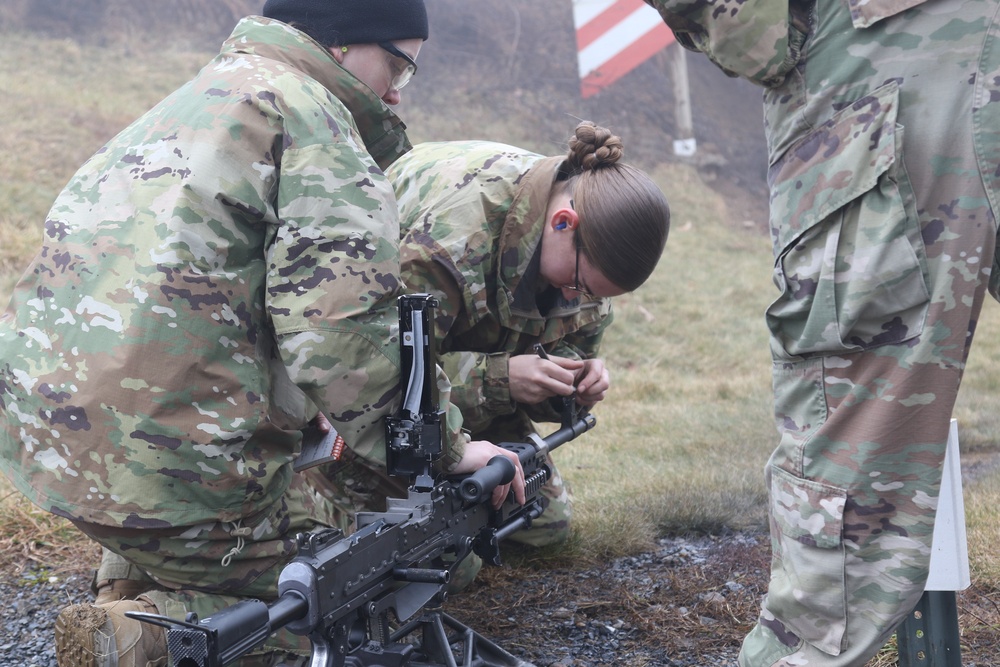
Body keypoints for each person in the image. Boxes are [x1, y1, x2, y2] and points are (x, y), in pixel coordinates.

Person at [0, 2, 525, 666]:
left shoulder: (197, 99)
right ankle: (144, 637)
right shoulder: (313, 123)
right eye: (397, 64)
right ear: (341, 46)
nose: (396, 92)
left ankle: (134, 568)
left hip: (50, 444)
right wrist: (452, 448)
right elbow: (344, 333)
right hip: (171, 476)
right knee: (359, 593)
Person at [642, 0, 1000, 665]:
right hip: (893, 63)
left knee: (838, 569)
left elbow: (753, 37)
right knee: (840, 561)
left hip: (884, 68)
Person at [313, 120, 670, 588]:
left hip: (458, 401)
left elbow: (568, 343)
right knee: (447, 564)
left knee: (546, 524)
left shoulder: (585, 246)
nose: (576, 298)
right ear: (564, 223)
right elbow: (375, 372)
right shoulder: (448, 245)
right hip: (359, 410)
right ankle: (312, 492)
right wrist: (498, 379)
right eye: (578, 285)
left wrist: (573, 384)